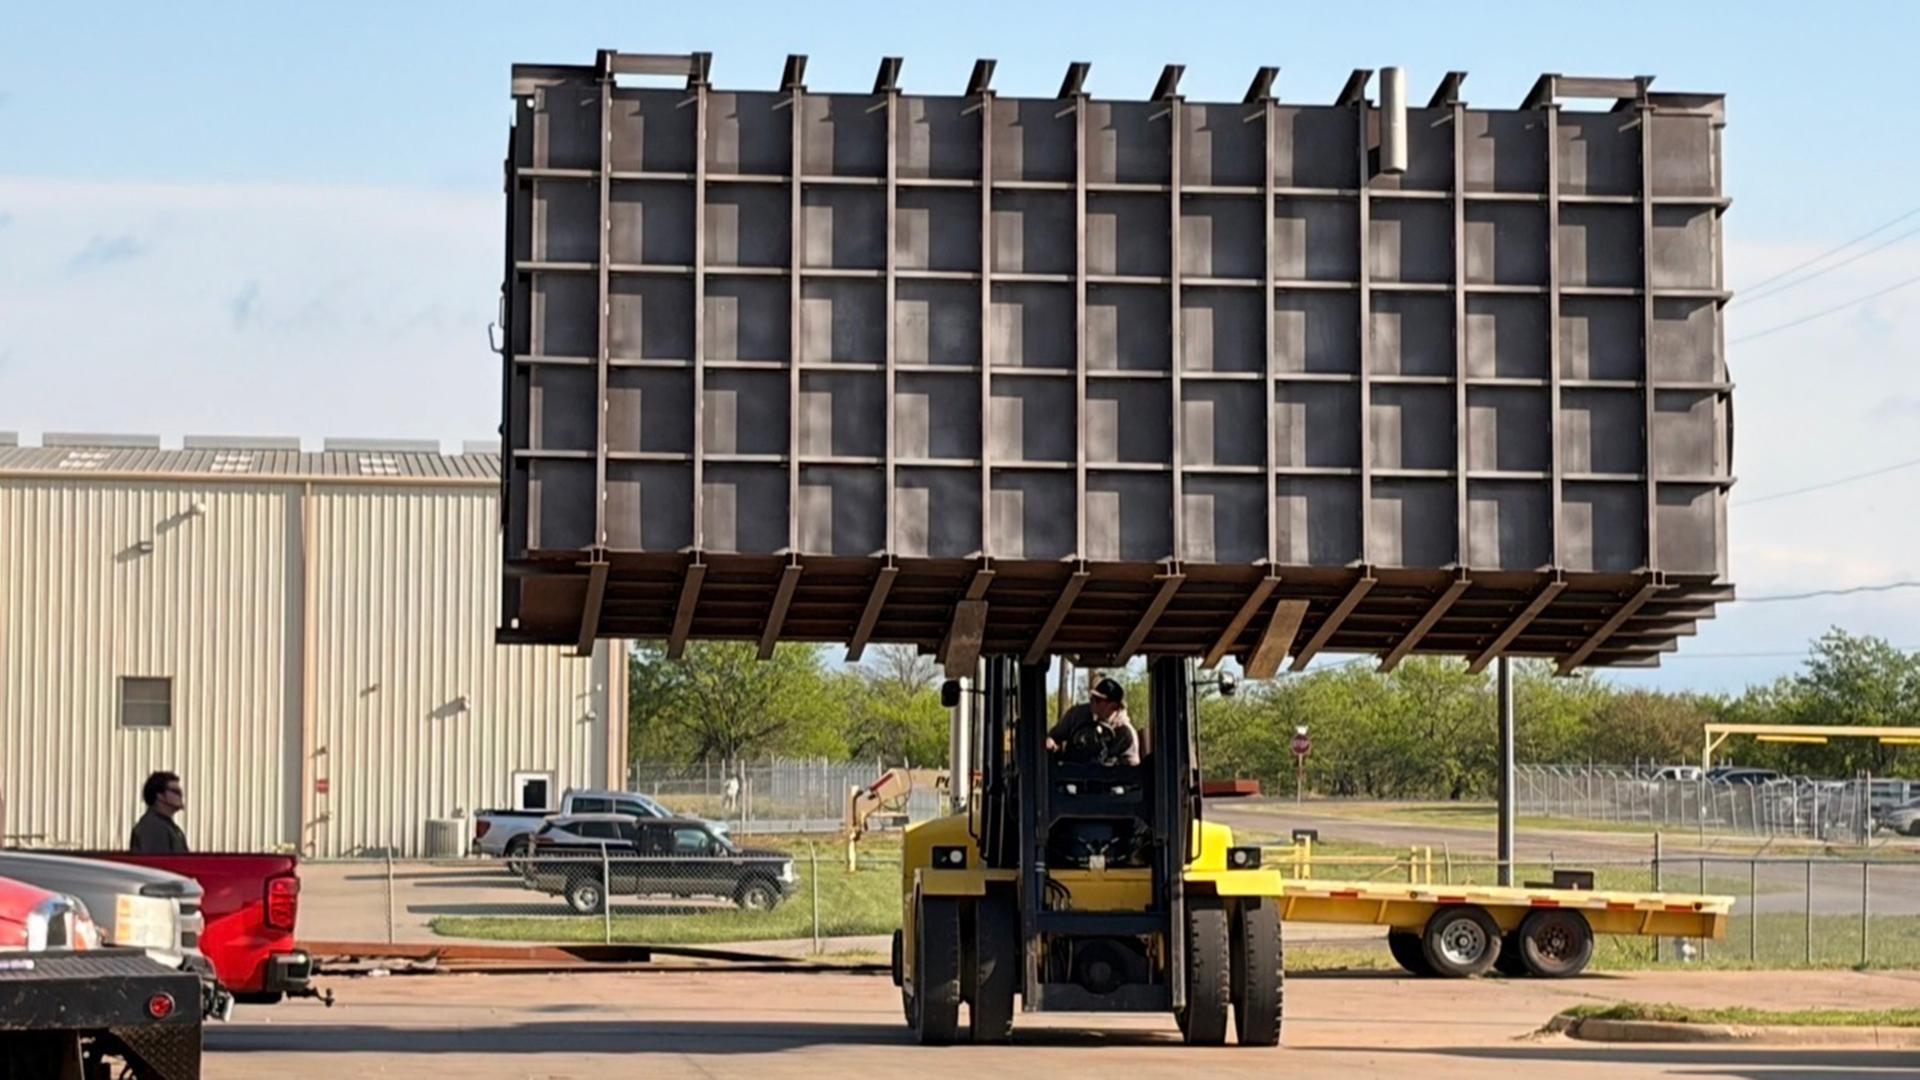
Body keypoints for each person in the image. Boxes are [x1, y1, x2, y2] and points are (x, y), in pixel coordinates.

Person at [1046, 677, 1141, 766]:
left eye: (1098, 699)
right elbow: (1054, 736)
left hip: (1106, 776)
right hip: (1072, 772)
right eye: (1092, 697)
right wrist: (1050, 743)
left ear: (1114, 706)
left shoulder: (1126, 734)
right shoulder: (1077, 714)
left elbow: (1132, 769)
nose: (1092, 700)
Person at [130, 771, 189, 854]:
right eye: (175, 791)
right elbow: (159, 860)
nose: (180, 796)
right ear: (159, 795)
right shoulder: (152, 827)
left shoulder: (168, 826)